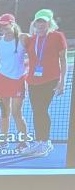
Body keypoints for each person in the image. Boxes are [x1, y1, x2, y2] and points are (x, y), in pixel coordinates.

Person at [25, 9, 67, 158]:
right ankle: (38, 141)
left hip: (50, 80)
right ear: (34, 23)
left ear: (49, 23)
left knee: (42, 110)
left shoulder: (57, 36)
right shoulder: (31, 38)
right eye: (38, 22)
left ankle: (46, 142)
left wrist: (62, 82)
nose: (41, 24)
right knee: (36, 111)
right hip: (32, 81)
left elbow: (63, 59)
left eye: (43, 22)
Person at [0, 13, 29, 152]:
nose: (2, 27)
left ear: (12, 24)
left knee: (16, 113)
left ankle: (24, 141)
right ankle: (4, 140)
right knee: (4, 112)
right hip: (2, 80)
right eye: (0, 25)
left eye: (5, 24)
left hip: (18, 80)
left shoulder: (22, 38)